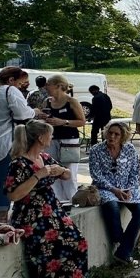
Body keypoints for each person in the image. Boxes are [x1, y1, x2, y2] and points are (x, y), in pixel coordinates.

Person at [5, 120, 88, 277]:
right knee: (49, 253)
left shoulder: (44, 157)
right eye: (50, 135)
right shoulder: (19, 163)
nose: (52, 137)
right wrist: (38, 175)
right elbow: (13, 195)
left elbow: (67, 175)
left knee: (79, 242)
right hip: (32, 215)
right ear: (41, 138)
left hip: (53, 211)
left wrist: (62, 170)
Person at [0, 67, 40, 224]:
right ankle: (2, 217)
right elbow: (22, 113)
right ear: (11, 80)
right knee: (5, 179)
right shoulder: (10, 91)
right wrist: (35, 112)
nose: (20, 86)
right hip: (3, 140)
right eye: (20, 82)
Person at [88, 122, 140, 265]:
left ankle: (122, 251)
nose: (112, 136)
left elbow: (135, 172)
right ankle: (121, 245)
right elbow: (96, 175)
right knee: (112, 205)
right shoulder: (96, 150)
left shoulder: (130, 149)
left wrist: (129, 190)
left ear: (123, 137)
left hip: (126, 189)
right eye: (110, 133)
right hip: (106, 189)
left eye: (116, 134)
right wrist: (114, 190)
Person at [40, 74, 87, 204]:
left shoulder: (71, 102)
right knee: (52, 171)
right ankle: (57, 201)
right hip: (51, 139)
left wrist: (63, 122)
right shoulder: (47, 101)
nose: (46, 87)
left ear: (59, 86)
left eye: (49, 84)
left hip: (68, 140)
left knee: (69, 172)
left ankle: (71, 199)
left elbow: (82, 121)